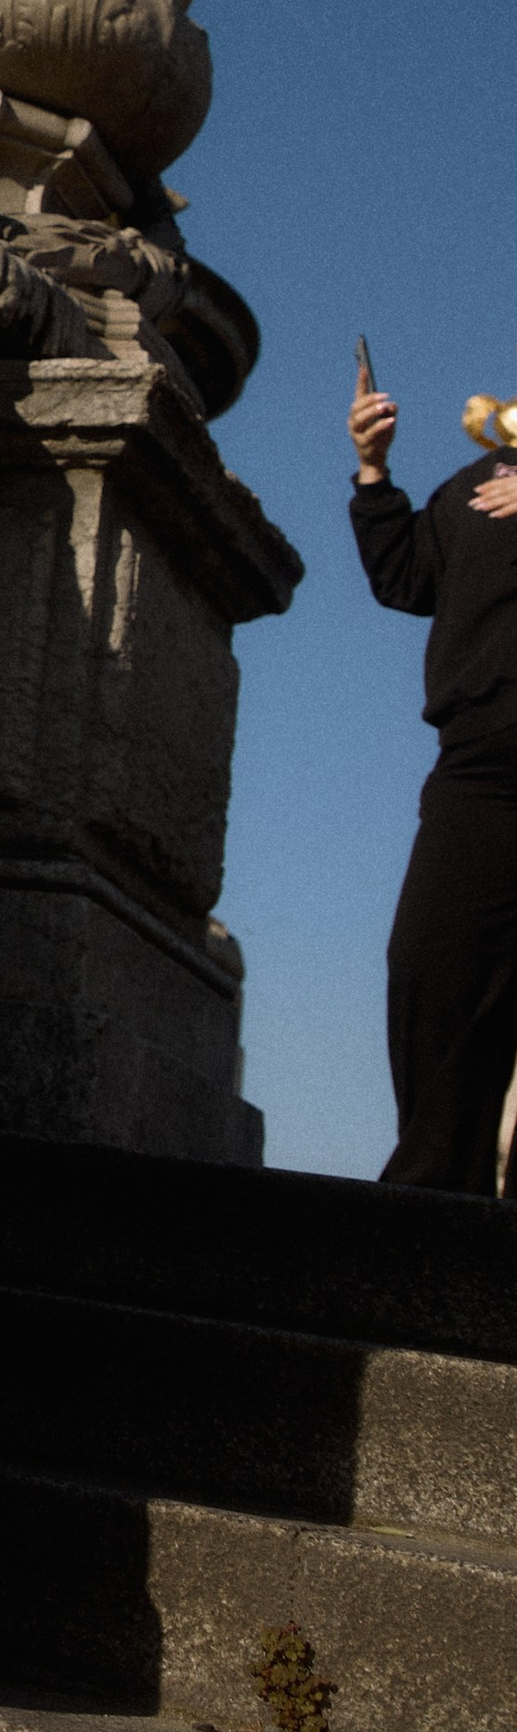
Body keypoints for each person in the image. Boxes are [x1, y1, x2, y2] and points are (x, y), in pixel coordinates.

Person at [347, 365, 517, 1196]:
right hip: (481, 765)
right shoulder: (479, 479)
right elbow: (406, 577)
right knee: (432, 966)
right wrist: (375, 471)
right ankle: (430, 1206)